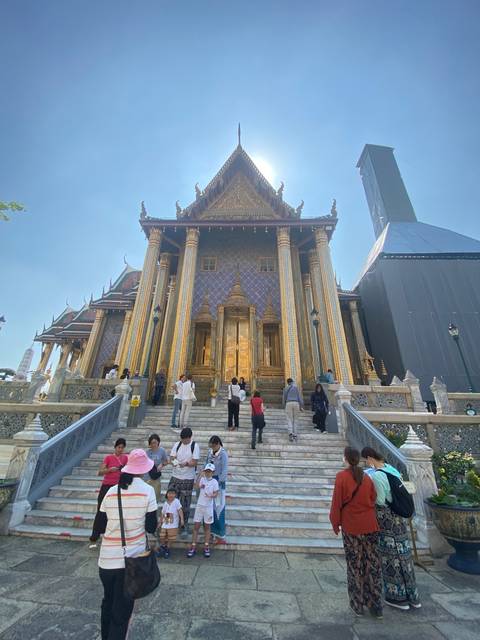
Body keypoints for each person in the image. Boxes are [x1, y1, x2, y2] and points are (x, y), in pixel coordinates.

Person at [96, 449, 157, 640]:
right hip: (131, 561)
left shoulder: (112, 491)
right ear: (143, 470)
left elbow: (99, 524)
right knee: (121, 612)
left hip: (106, 560)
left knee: (108, 603)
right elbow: (151, 526)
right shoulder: (148, 491)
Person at [361, 447, 421, 611]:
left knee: (391, 557)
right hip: (399, 520)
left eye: (366, 460)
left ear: (370, 458)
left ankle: (397, 597)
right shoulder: (391, 469)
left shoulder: (378, 476)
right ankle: (413, 596)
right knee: (404, 556)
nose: (366, 463)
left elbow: (380, 500)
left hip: (387, 521)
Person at [330, 446, 383, 619]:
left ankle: (357, 604)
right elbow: (373, 497)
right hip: (370, 526)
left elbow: (337, 503)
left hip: (352, 527)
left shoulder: (342, 477)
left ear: (346, 458)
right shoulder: (366, 477)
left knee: (355, 566)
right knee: (372, 565)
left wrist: (335, 523)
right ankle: (375, 605)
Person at [89, 438, 128, 546]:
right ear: (115, 447)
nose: (120, 449)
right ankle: (95, 534)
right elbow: (100, 472)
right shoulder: (108, 458)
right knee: (101, 509)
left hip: (118, 487)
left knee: (116, 511)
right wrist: (110, 470)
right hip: (106, 486)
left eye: (122, 447)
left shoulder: (125, 458)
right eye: (118, 447)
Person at [168, 427, 200, 536]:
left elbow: (195, 462)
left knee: (185, 504)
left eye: (185, 439)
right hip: (175, 477)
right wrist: (175, 462)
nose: (183, 441)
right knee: (170, 502)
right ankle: (169, 524)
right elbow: (172, 457)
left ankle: (183, 526)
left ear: (189, 438)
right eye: (182, 439)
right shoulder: (177, 444)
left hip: (188, 478)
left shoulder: (194, 446)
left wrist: (185, 464)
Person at [187, 463, 219, 558]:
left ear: (213, 472)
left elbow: (216, 493)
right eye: (206, 471)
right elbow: (196, 487)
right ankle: (193, 545)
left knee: (207, 527)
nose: (208, 473)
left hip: (208, 507)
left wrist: (212, 495)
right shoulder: (202, 479)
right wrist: (199, 475)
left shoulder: (214, 482)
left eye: (210, 471)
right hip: (200, 506)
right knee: (196, 526)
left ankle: (206, 546)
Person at [206, 435, 229, 543]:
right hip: (210, 482)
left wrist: (218, 484)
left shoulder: (223, 454)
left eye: (214, 446)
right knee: (210, 509)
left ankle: (220, 535)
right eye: (211, 446)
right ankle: (211, 533)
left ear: (218, 444)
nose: (213, 448)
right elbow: (206, 466)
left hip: (219, 484)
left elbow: (224, 471)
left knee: (219, 510)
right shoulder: (209, 453)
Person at [158, 487, 184, 558]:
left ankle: (167, 549)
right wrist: (160, 522)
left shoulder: (176, 501)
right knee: (162, 536)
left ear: (175, 494)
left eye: (173, 493)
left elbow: (180, 511)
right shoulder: (165, 503)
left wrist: (182, 519)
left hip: (173, 523)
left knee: (171, 537)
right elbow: (162, 513)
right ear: (167, 494)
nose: (171, 495)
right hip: (165, 522)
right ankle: (163, 547)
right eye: (169, 493)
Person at [144, 434, 169, 503]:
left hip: (156, 477)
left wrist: (162, 464)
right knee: (147, 497)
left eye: (155, 442)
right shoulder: (147, 452)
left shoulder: (162, 451)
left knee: (155, 496)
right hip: (147, 477)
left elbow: (167, 461)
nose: (154, 444)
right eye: (152, 443)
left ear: (158, 442)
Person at [282, 378, 303, 442]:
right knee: (295, 419)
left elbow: (284, 397)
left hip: (288, 403)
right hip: (296, 403)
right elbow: (299, 397)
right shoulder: (296, 388)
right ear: (292, 382)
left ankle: (290, 433)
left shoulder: (285, 388)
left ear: (287, 382)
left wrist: (284, 405)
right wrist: (301, 405)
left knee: (289, 419)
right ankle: (295, 434)